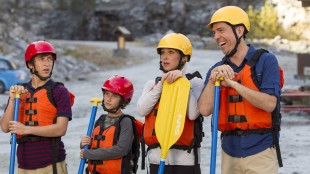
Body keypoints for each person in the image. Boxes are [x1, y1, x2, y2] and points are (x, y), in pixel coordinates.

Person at [198, 6, 282, 174]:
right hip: (229, 153)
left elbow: (269, 104)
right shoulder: (217, 68)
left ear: (239, 30)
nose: (216, 37)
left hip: (262, 151)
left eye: (221, 30)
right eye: (214, 32)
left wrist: (233, 84)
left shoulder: (266, 61)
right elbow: (204, 110)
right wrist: (212, 80)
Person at [0, 41, 73, 173]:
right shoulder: (19, 91)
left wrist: (26, 129)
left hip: (51, 165)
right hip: (24, 166)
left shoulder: (59, 91)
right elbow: (5, 127)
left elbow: (61, 129)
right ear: (30, 64)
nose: (47, 63)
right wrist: (12, 99)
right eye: (41, 59)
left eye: (49, 59)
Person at [137, 33, 204, 174]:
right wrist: (161, 85)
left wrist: (182, 82)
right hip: (156, 159)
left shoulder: (195, 83)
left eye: (170, 52)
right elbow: (142, 110)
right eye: (162, 53)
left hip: (185, 160)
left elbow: (192, 114)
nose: (164, 57)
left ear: (184, 57)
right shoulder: (152, 84)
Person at [80, 75, 140, 174]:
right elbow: (95, 146)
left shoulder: (125, 122)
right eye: (107, 94)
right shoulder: (100, 120)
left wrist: (90, 154)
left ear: (123, 101)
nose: (108, 99)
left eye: (114, 96)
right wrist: (84, 144)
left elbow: (121, 150)